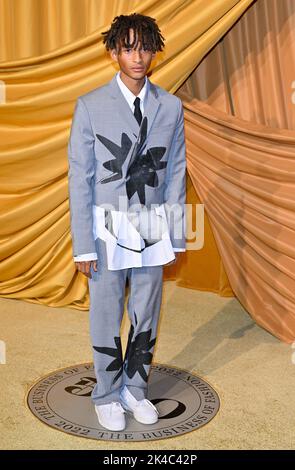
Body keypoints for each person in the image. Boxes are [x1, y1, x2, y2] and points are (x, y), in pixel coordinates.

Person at [67, 12, 186, 431]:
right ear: (115, 51)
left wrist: (175, 233)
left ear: (155, 51)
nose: (138, 57)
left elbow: (175, 172)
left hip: (152, 224)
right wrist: (83, 244)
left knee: (147, 310)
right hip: (105, 227)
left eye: (146, 47)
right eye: (129, 47)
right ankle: (105, 392)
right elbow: (80, 178)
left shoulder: (170, 106)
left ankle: (135, 389)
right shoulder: (91, 105)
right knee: (105, 309)